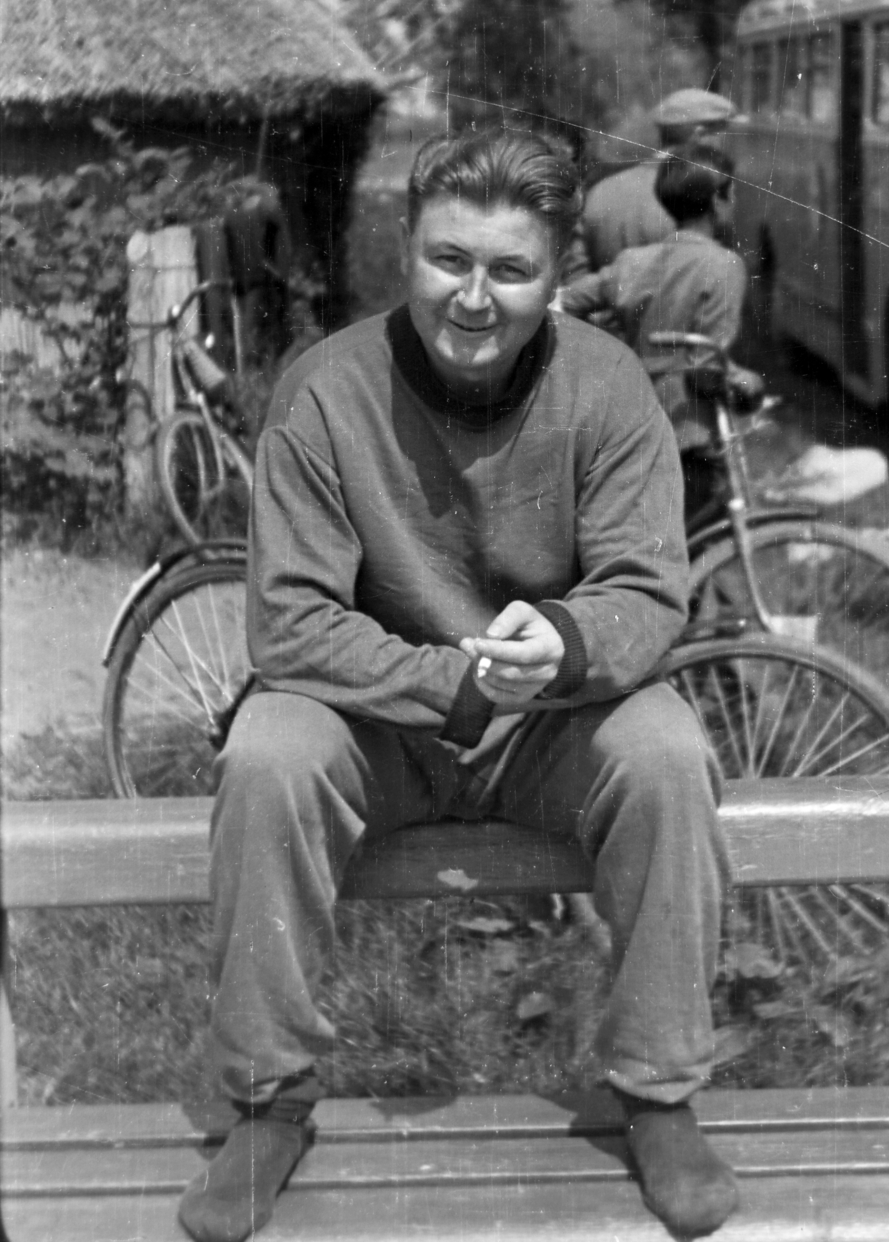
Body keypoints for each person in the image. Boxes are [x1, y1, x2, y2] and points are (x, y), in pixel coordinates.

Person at [178, 131, 738, 1242]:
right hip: (375, 724)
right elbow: (288, 623)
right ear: (405, 251)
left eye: (510, 270)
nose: (473, 298)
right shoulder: (324, 388)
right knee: (266, 753)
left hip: (547, 723)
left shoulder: (609, 384)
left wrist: (571, 643)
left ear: (556, 275)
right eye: (447, 260)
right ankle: (267, 1099)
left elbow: (646, 588)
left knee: (667, 751)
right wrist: (461, 681)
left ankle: (656, 1090)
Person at [561, 147, 748, 525]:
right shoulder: (724, 266)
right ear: (718, 199)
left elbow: (563, 302)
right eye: (733, 191)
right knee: (696, 540)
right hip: (690, 430)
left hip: (631, 422)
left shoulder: (634, 262)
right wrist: (747, 381)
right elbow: (705, 368)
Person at [571, 88, 736, 275]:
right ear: (700, 136)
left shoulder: (601, 191)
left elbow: (576, 272)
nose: (728, 147)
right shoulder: (702, 199)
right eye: (724, 136)